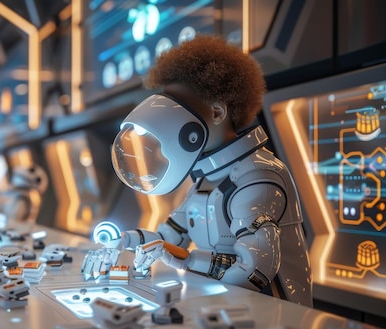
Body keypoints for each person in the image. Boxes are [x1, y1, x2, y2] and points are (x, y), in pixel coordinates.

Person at [84, 35, 313, 307]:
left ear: (217, 112)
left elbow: (254, 270)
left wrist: (187, 260)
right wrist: (121, 242)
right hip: (223, 306)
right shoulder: (206, 180)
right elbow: (167, 238)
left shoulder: (257, 177)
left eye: (178, 106)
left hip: (272, 314)